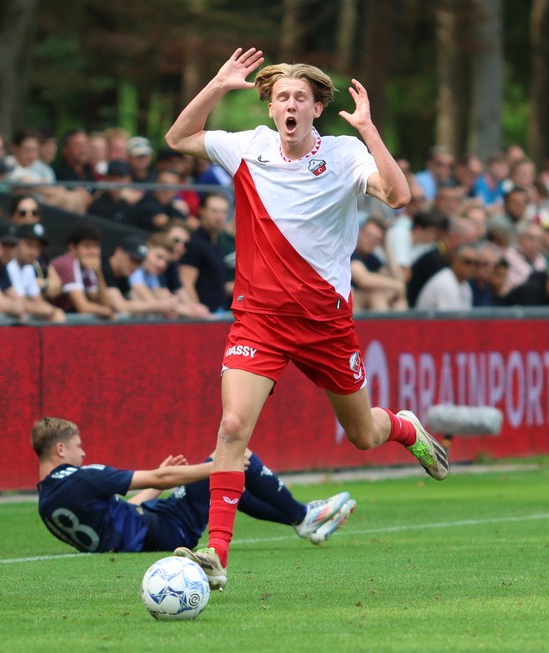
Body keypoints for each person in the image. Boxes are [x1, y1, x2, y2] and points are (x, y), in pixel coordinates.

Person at [165, 47, 449, 588]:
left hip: (325, 325)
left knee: (363, 434)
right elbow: (178, 139)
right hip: (259, 320)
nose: (289, 104)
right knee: (231, 427)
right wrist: (218, 85)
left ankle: (405, 426)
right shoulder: (246, 147)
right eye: (280, 97)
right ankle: (216, 554)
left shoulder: (343, 154)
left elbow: (398, 195)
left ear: (317, 107)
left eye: (300, 97)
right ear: (269, 108)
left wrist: (369, 131)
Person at [32, 417, 356, 556]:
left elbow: (122, 514)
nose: (83, 452)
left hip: (152, 527)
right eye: (78, 446)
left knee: (227, 490)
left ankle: (303, 523)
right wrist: (217, 466)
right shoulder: (82, 477)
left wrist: (159, 484)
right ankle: (303, 515)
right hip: (166, 528)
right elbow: (157, 479)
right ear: (60, 450)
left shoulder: (47, 501)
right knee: (233, 455)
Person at [48, 222, 114, 319]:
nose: (92, 252)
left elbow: (102, 303)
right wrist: (108, 312)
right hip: (47, 324)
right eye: (87, 246)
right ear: (72, 248)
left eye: (96, 246)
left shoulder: (87, 267)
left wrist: (98, 273)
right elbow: (83, 307)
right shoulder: (66, 263)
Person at [6, 222, 67, 322]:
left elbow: (37, 300)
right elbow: (20, 302)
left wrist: (55, 311)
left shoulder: (28, 267)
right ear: (16, 242)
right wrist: (52, 311)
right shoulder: (8, 265)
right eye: (29, 245)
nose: (34, 251)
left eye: (37, 247)